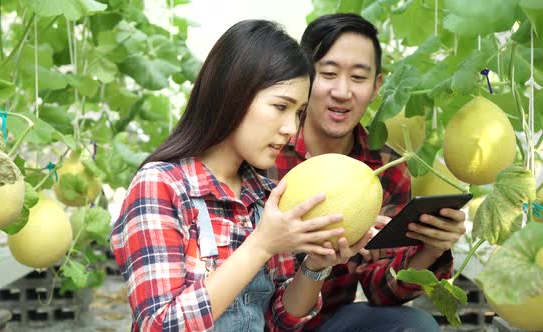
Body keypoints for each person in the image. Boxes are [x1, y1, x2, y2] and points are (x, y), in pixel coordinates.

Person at [110, 19, 373, 332]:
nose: (291, 129)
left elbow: (278, 321)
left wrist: (317, 265)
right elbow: (161, 324)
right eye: (280, 106)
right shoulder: (161, 186)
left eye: (298, 113)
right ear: (233, 94)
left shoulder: (264, 194)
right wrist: (260, 245)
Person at [268, 13, 467, 331]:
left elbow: (381, 289)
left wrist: (431, 248)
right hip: (252, 320)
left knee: (417, 325)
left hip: (327, 323)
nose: (343, 92)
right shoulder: (267, 148)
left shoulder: (386, 168)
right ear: (302, 77)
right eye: (328, 73)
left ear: (377, 86)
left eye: (358, 78)